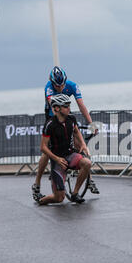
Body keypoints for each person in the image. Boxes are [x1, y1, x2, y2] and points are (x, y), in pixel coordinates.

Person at [31, 66, 99, 199]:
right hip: (53, 115)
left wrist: (91, 123)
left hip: (66, 113)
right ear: (52, 83)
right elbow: (54, 106)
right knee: (48, 150)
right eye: (57, 85)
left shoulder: (72, 86)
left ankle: (89, 179)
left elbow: (81, 105)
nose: (60, 87)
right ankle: (37, 183)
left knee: (80, 144)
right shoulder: (48, 88)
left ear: (65, 81)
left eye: (62, 85)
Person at [33, 94, 92, 205]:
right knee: (59, 198)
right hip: (57, 160)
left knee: (87, 163)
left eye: (69, 105)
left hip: (70, 155)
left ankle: (75, 193)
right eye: (65, 106)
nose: (69, 108)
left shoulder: (71, 119)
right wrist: (57, 159)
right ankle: (41, 200)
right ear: (57, 108)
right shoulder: (50, 124)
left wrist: (83, 144)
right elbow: (43, 147)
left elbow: (76, 131)